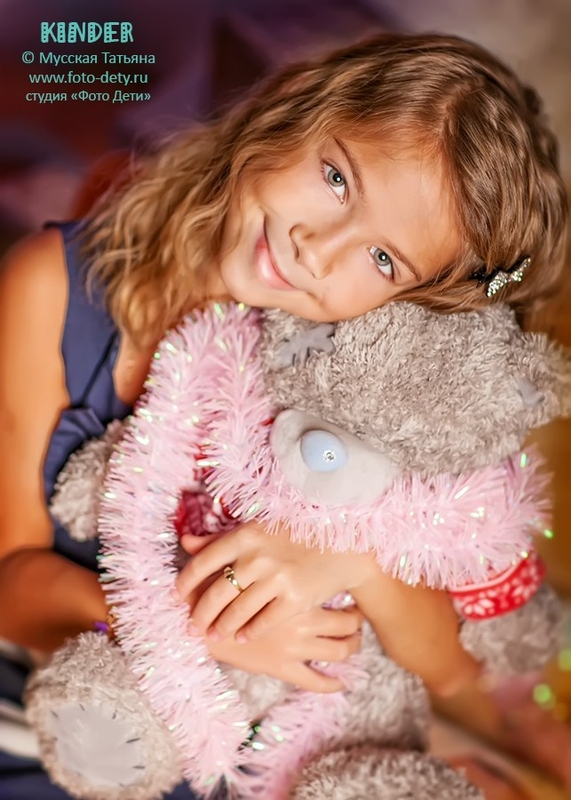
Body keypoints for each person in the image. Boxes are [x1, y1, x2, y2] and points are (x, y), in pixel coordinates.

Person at [0, 31, 567, 799]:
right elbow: (10, 585)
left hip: (248, 764)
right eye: (336, 178)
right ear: (294, 106)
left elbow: (452, 669)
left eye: (382, 259)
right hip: (59, 722)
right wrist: (188, 629)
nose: (316, 250)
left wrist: (349, 560)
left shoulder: (354, 383)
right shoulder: (51, 288)